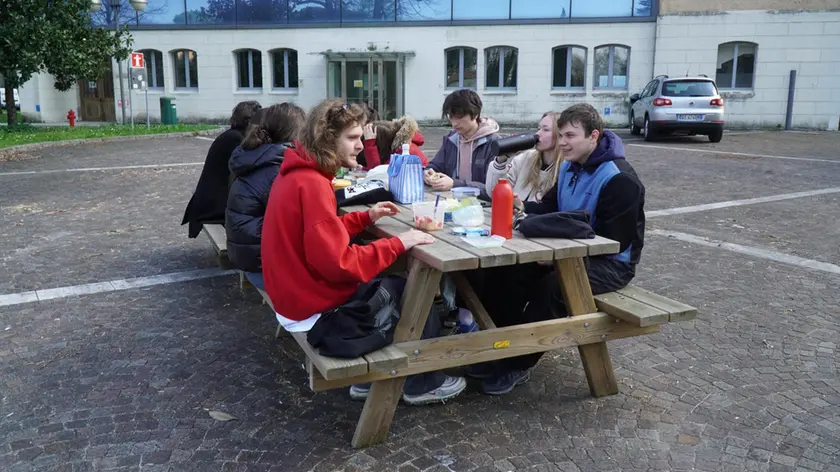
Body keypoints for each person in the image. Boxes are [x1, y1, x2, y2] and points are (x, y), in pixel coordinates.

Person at [260, 99, 467, 405]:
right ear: (328, 139)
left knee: (392, 284)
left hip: (294, 298)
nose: (360, 145)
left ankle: (370, 382)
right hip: (313, 313)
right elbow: (340, 265)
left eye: (360, 137)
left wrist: (365, 218)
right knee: (414, 292)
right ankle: (423, 382)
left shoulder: (298, 174)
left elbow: (317, 234)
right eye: (352, 138)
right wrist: (399, 242)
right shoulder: (313, 184)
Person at [475, 103, 646, 395]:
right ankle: (502, 348)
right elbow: (549, 207)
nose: (563, 142)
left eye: (570, 136)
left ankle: (518, 363)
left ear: (594, 136)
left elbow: (613, 241)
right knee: (505, 272)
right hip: (567, 253)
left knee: (554, 288)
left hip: (612, 265)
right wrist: (522, 206)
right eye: (561, 135)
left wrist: (554, 259)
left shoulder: (620, 180)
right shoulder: (569, 166)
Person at [225, 103, 305, 290]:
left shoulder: (256, 156)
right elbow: (301, 220)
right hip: (264, 269)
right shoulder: (277, 169)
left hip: (249, 260)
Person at [182, 101, 262, 238]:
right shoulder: (235, 139)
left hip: (211, 201)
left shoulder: (232, 136)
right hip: (214, 205)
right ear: (250, 121)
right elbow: (251, 168)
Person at [424, 89, 500, 199]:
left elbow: (494, 189)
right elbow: (435, 166)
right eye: (451, 116)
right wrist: (428, 174)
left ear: (475, 114)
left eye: (459, 116)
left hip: (484, 207)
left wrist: (455, 184)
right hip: (450, 201)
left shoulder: (494, 144)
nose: (454, 123)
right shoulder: (451, 139)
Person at [486, 112, 561, 203]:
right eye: (538, 128)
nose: (538, 133)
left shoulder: (565, 169)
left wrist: (522, 206)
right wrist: (500, 160)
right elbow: (494, 192)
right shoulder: (525, 158)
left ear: (560, 134)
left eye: (545, 130)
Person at [361, 115, 428, 170]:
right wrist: (363, 168)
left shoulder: (404, 151)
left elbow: (378, 172)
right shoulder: (399, 145)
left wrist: (370, 144)